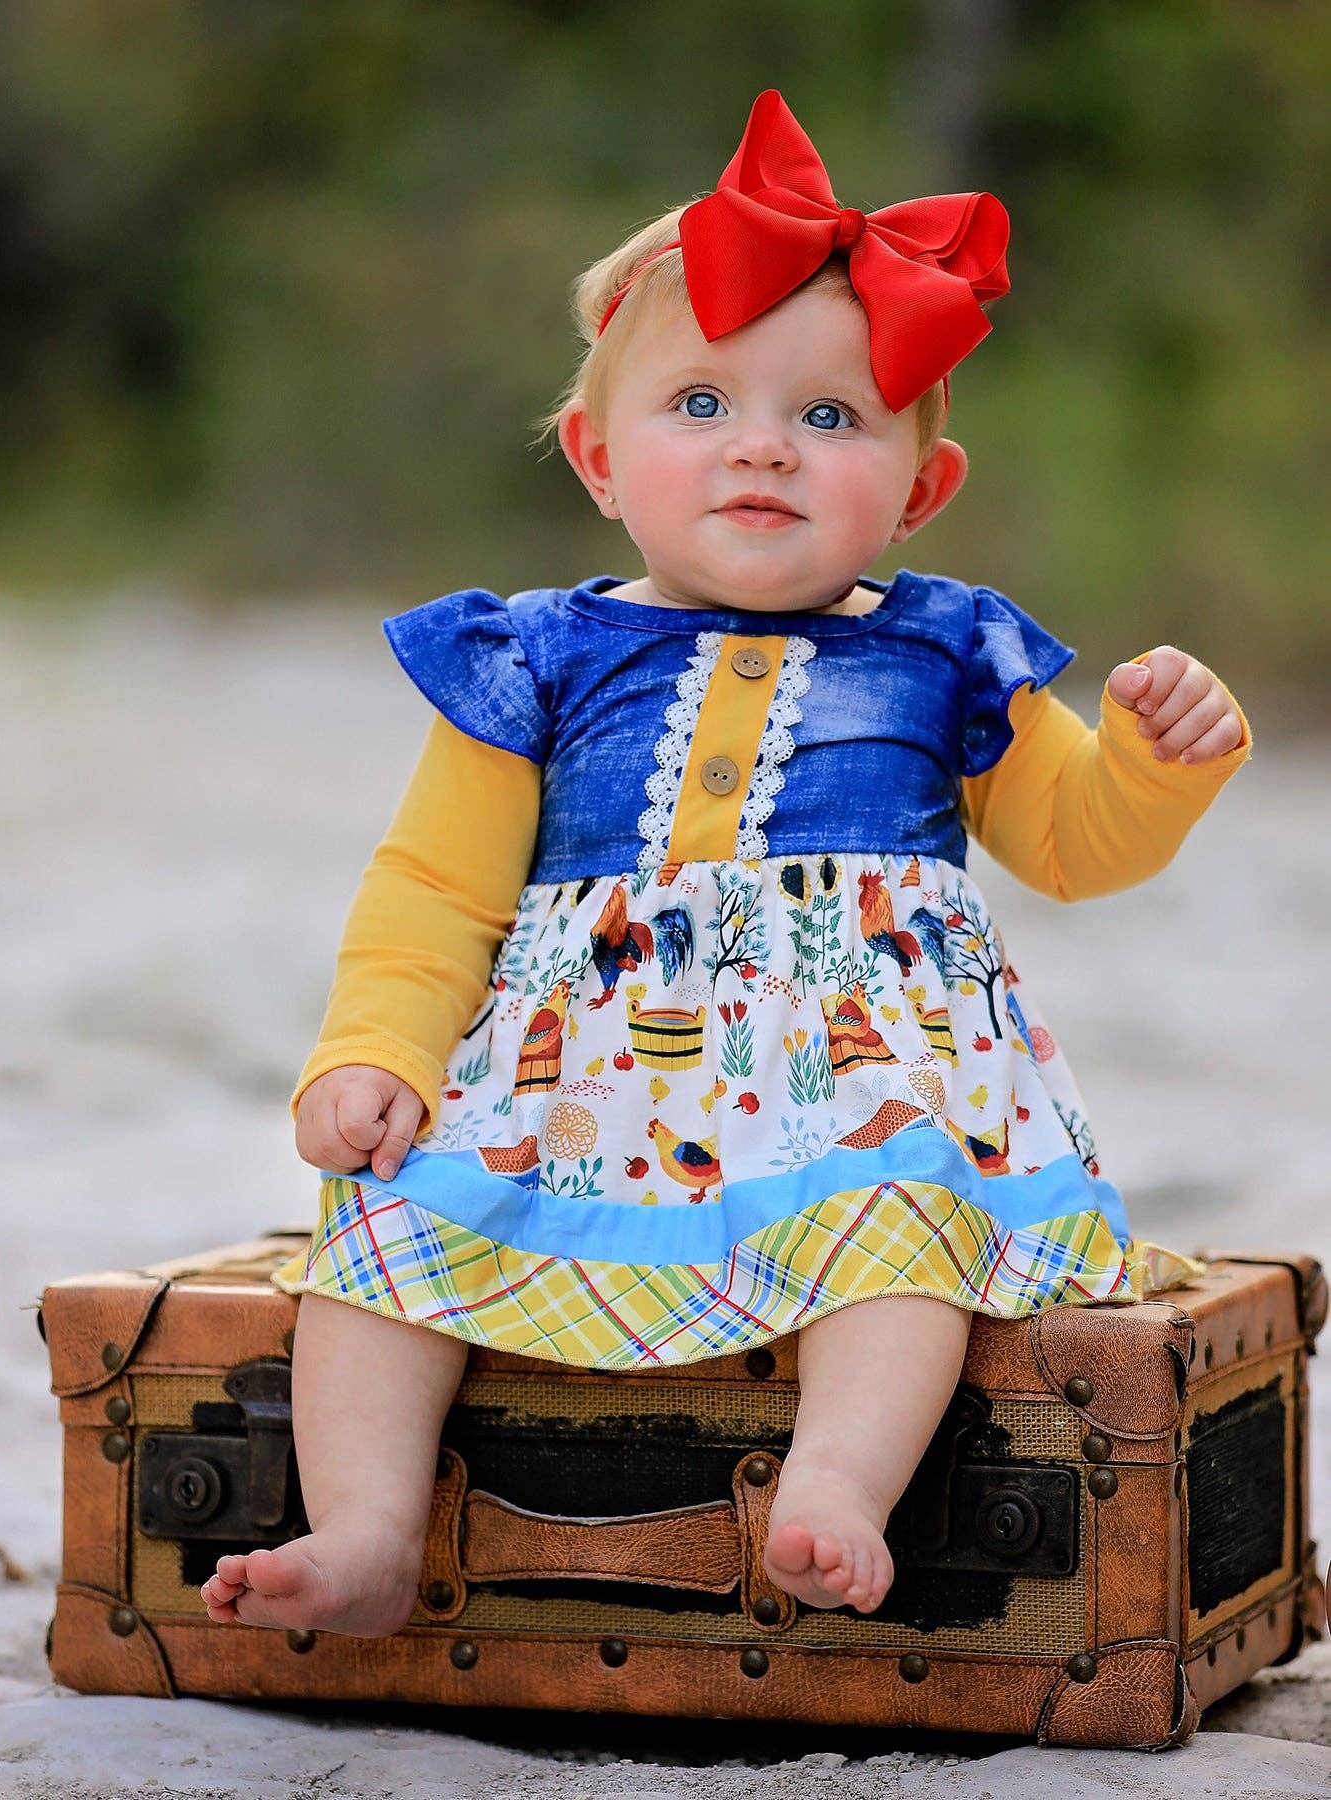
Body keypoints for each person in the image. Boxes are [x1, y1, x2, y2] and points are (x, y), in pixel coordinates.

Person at [201, 89, 1250, 1637]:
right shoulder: (534, 658)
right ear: (596, 457)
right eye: (698, 402)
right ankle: (362, 1531)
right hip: (567, 1095)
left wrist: (1155, 762)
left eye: (830, 418)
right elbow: (434, 890)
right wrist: (373, 1052)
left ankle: (831, 1487)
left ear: (918, 487)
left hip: (851, 1093)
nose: (761, 444)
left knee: (902, 1234)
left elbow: (1073, 845)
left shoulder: (946, 654)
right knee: (383, 1233)